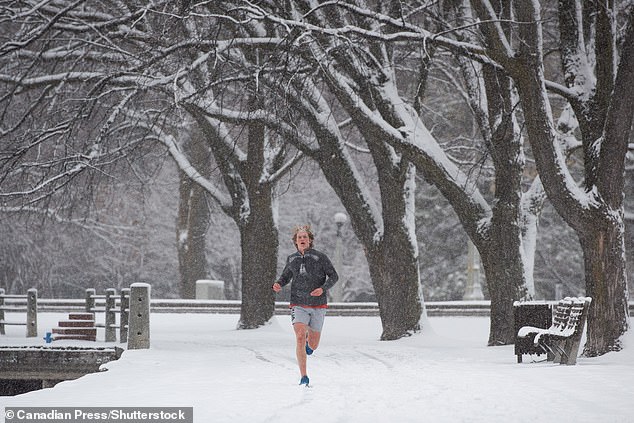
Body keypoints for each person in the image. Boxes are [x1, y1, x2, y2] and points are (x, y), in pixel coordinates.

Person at [272, 225, 338, 386]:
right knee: (300, 336)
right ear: (295, 241)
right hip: (298, 303)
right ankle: (303, 376)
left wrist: (322, 289)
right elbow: (286, 276)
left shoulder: (320, 257)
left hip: (318, 305)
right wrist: (279, 284)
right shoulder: (291, 259)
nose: (302, 239)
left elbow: (334, 276)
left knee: (313, 345)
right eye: (299, 237)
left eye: (305, 237)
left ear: (310, 240)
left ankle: (310, 343)